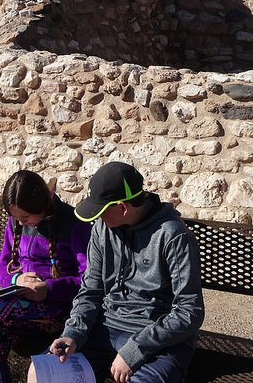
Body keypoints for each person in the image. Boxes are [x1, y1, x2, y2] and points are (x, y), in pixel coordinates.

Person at [28, 161, 205, 383]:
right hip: (106, 328)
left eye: (101, 212)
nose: (97, 218)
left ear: (122, 207)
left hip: (157, 339)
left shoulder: (173, 236)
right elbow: (89, 291)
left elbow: (189, 311)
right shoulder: (102, 229)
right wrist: (73, 333)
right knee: (41, 373)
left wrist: (135, 350)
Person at [0, 170, 91, 383]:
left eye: (25, 217)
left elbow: (87, 281)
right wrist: (15, 280)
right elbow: (1, 266)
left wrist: (49, 289)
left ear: (40, 205)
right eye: (16, 218)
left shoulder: (72, 223)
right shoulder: (16, 223)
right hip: (18, 308)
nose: (20, 223)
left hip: (59, 313)